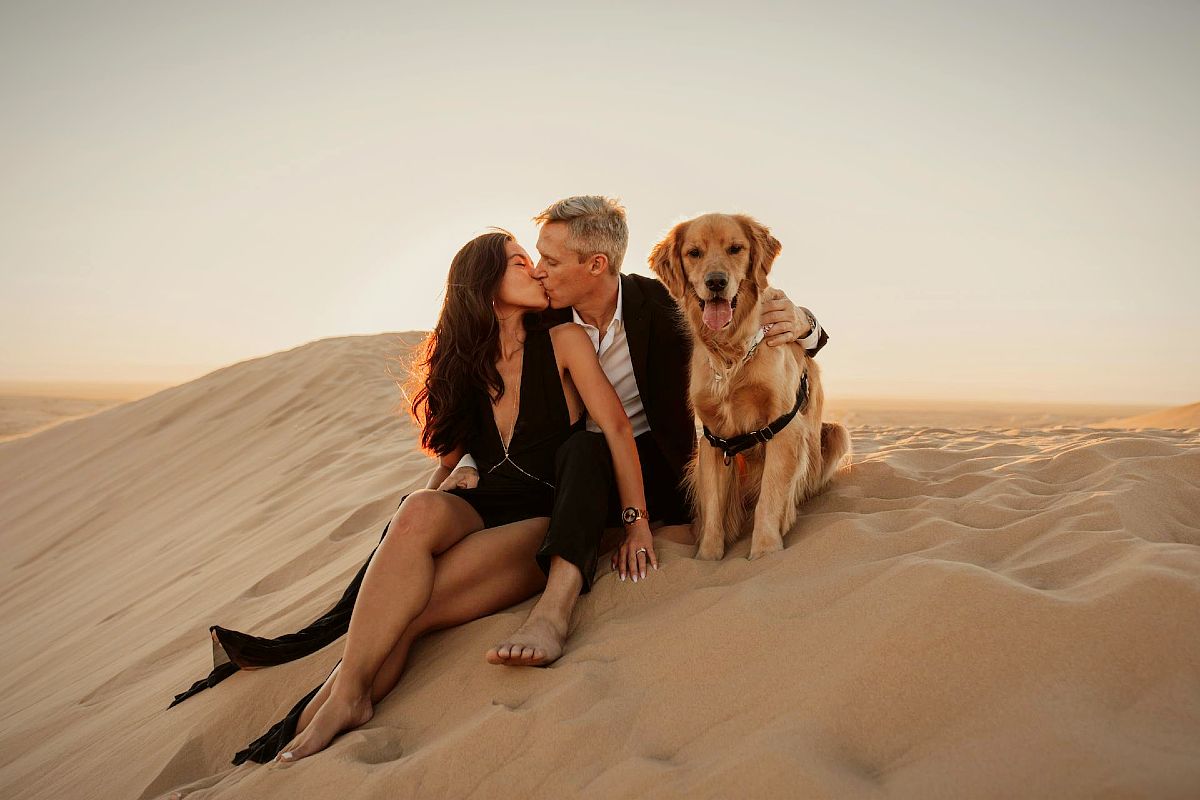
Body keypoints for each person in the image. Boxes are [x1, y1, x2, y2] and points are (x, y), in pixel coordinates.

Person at [165, 228, 655, 765]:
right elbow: (447, 464)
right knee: (419, 509)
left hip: (540, 517)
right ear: (487, 283)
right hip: (485, 506)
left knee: (411, 612)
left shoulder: (564, 341)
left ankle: (311, 721)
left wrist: (635, 523)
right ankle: (344, 697)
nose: (536, 270)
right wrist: (409, 531)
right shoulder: (469, 365)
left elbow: (614, 430)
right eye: (520, 262)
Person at [440, 196, 830, 668]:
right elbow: (485, 390)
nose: (539, 270)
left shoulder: (667, 306)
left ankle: (548, 612)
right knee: (433, 522)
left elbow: (750, 313)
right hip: (563, 478)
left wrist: (805, 324)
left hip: (653, 473)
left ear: (596, 264)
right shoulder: (543, 316)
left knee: (584, 457)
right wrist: (464, 460)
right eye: (536, 258)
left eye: (551, 259)